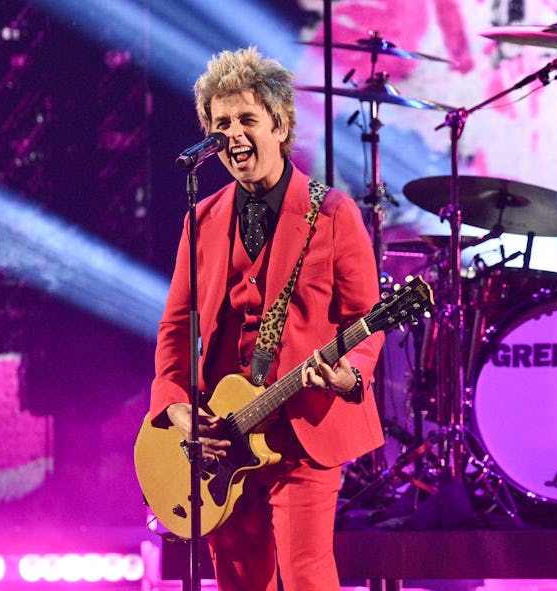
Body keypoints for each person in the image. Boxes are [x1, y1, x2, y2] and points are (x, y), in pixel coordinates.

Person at [148, 46, 385, 591]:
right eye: (221, 122)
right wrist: (174, 402)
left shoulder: (333, 214)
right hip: (223, 437)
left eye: (247, 120)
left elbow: (365, 318)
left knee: (307, 577)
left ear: (279, 126)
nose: (233, 134)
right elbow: (175, 325)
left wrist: (350, 375)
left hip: (304, 431)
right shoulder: (202, 219)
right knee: (237, 581)